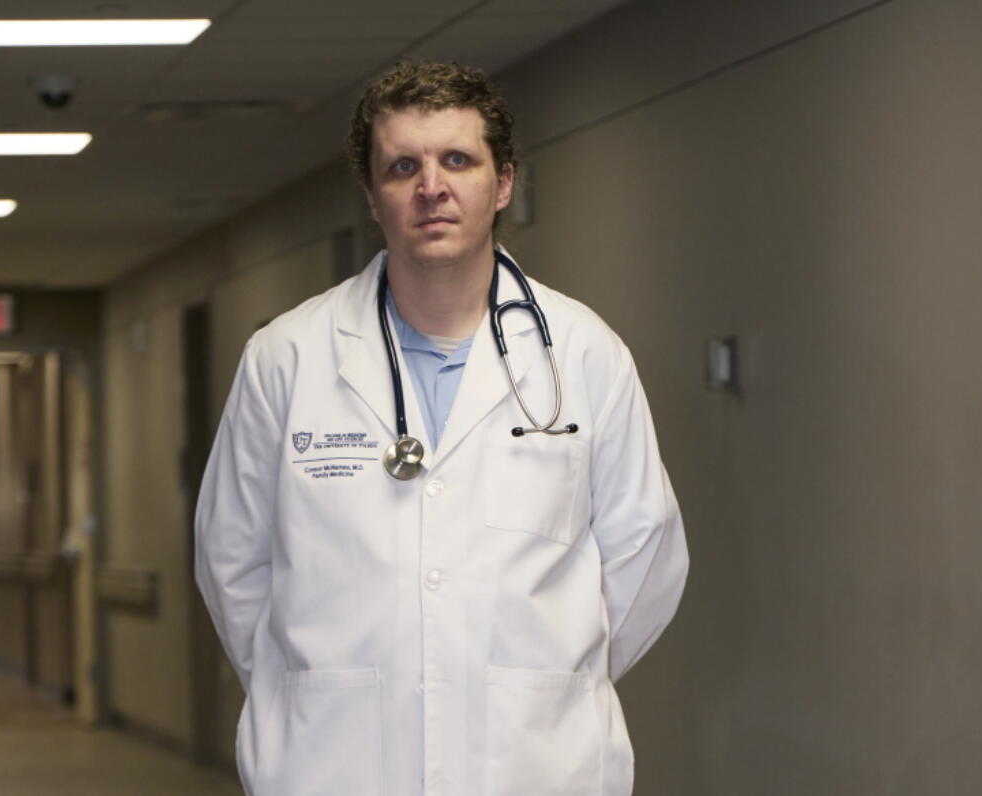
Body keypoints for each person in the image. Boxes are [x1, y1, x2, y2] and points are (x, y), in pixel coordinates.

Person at [195, 60, 688, 796]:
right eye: (403, 166)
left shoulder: (585, 353)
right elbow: (232, 563)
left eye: (458, 159)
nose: (432, 186)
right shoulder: (287, 358)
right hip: (334, 763)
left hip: (535, 765)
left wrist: (540, 682)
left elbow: (643, 556)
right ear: (371, 194)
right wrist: (327, 686)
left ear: (505, 182)